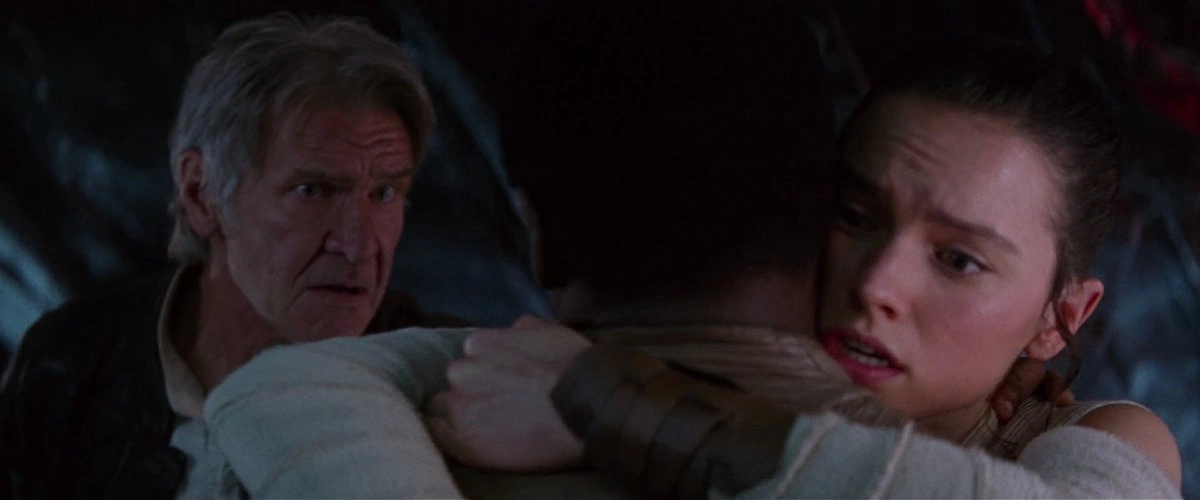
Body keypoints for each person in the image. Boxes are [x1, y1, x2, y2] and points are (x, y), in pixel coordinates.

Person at [194, 3, 1181, 498]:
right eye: (852, 212)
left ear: (1062, 316)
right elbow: (301, 388)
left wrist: (614, 403)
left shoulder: (1098, 445)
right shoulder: (540, 367)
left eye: (959, 259)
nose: (877, 282)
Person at [0, 14, 461, 499]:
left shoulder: (447, 386)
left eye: (385, 193)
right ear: (201, 194)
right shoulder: (69, 366)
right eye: (313, 190)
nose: (360, 245)